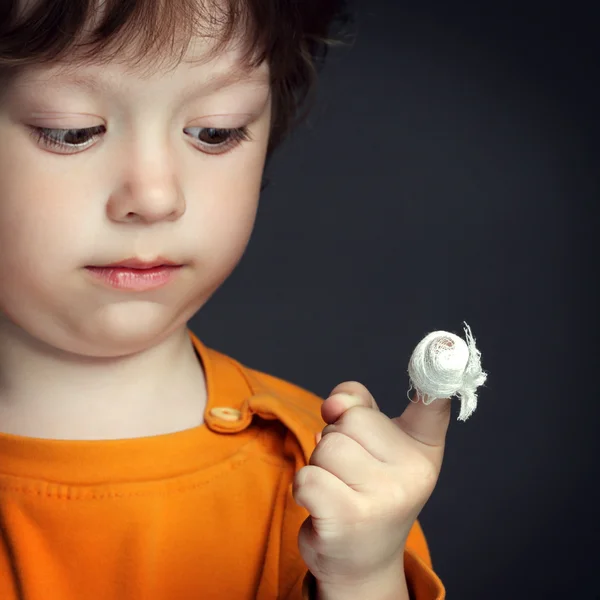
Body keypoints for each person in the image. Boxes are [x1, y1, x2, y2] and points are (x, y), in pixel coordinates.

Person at [0, 0, 447, 598]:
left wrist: (364, 576)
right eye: (72, 131)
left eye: (215, 131)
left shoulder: (324, 484)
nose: (156, 197)